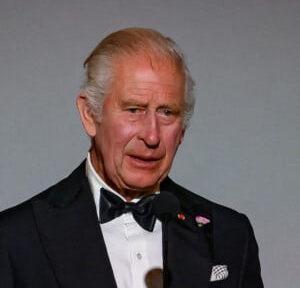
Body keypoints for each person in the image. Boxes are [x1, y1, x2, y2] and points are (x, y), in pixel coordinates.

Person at [0, 28, 263, 288]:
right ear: (90, 115)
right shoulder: (15, 238)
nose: (151, 136)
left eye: (167, 113)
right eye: (134, 109)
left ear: (182, 129)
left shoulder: (229, 234)